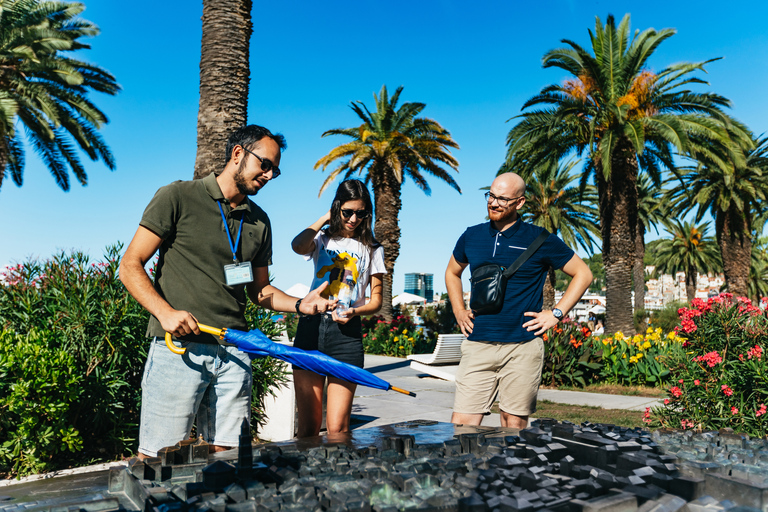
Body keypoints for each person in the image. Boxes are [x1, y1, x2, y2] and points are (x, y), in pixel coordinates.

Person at [120, 124, 334, 457]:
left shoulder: (259, 221)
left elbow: (260, 291)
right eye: (265, 164)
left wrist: (300, 305)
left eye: (275, 170)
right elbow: (130, 265)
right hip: (179, 349)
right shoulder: (178, 196)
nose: (269, 174)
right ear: (238, 154)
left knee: (230, 457)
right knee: (159, 457)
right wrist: (165, 313)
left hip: (234, 351)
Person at [445, 172, 593, 429]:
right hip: (478, 344)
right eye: (490, 196)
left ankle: (507, 471)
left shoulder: (540, 239)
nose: (493, 203)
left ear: (520, 203)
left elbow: (584, 273)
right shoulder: (472, 236)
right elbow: (452, 272)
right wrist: (458, 310)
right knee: (462, 425)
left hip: (522, 346)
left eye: (502, 199)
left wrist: (555, 314)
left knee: (513, 425)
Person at [290, 180, 385, 437]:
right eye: (347, 212)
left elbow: (376, 301)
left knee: (338, 428)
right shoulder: (321, 239)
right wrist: (325, 218)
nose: (354, 219)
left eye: (361, 213)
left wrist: (353, 312)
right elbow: (297, 246)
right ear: (337, 208)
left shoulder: (373, 249)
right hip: (310, 328)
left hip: (346, 336)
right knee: (308, 427)